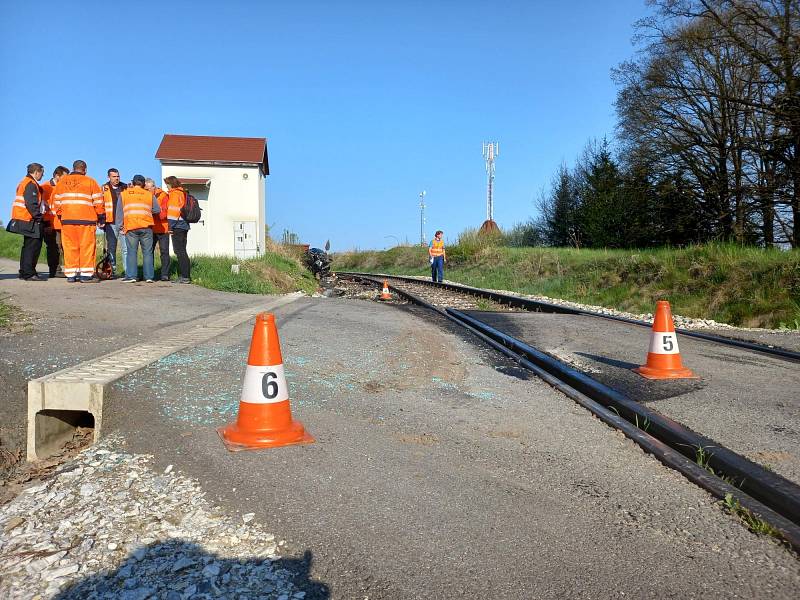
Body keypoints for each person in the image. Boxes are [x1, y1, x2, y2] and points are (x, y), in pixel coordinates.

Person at [53, 160, 105, 282]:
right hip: (86, 220)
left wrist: (62, 216)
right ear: (85, 169)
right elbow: (98, 202)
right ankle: (86, 275)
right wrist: (101, 217)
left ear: (73, 168)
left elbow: (56, 202)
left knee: (70, 247)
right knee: (86, 246)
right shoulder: (91, 181)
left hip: (67, 221)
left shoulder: (62, 182)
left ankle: (71, 275)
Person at [10, 163, 45, 280]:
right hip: (29, 219)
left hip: (24, 218)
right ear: (36, 172)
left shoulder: (25, 182)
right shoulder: (30, 184)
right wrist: (39, 218)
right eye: (42, 173)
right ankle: (29, 273)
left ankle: (25, 272)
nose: (42, 175)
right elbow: (31, 203)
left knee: (28, 247)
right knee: (32, 247)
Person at [120, 175, 155, 282]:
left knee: (131, 252)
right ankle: (149, 277)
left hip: (131, 227)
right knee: (147, 252)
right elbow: (157, 209)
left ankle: (131, 276)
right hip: (146, 227)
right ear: (144, 184)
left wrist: (119, 226)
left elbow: (119, 212)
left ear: (133, 182)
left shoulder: (124, 194)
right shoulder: (149, 194)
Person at [40, 165, 70, 278]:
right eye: (64, 177)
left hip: (64, 223)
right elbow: (42, 207)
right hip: (50, 223)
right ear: (57, 176)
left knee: (64, 247)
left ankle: (68, 269)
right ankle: (55, 270)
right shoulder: (45, 187)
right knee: (54, 247)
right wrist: (47, 224)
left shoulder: (66, 187)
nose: (67, 180)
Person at [164, 176, 191, 283]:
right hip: (184, 225)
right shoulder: (182, 193)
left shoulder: (174, 194)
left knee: (179, 251)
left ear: (171, 184)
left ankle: (184, 277)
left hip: (177, 226)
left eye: (167, 184)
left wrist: (170, 226)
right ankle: (185, 276)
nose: (166, 187)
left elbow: (173, 212)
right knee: (182, 250)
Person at [101, 168, 128, 277]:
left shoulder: (126, 187)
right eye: (114, 176)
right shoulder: (104, 188)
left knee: (126, 248)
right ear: (109, 177)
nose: (116, 178)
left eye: (118, 176)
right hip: (110, 222)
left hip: (123, 222)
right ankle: (112, 271)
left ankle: (128, 272)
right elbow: (100, 204)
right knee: (111, 248)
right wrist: (101, 220)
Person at [145, 177, 171, 281]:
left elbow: (164, 213)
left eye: (148, 189)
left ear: (154, 187)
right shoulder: (145, 196)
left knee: (164, 252)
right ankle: (149, 274)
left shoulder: (163, 195)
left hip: (163, 228)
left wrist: (152, 213)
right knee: (148, 252)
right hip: (151, 228)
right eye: (145, 189)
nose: (147, 191)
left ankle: (165, 274)